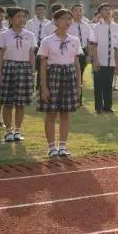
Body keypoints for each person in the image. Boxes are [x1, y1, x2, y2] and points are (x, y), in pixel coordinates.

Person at [36, 8, 83, 158]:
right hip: (53, 75)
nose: (67, 21)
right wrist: (43, 87)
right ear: (56, 21)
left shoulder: (74, 40)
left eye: (69, 19)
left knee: (65, 113)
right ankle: (51, 147)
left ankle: (62, 146)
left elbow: (77, 64)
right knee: (51, 113)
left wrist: (79, 84)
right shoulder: (47, 41)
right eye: (64, 18)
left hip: (69, 76)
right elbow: (43, 65)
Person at [0, 7, 36, 142]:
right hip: (8, 67)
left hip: (25, 68)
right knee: (8, 102)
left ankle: (18, 130)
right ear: (11, 19)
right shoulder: (4, 35)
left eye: (24, 16)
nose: (22, 19)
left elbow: (32, 56)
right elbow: (0, 56)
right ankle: (8, 131)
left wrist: (32, 73)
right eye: (19, 16)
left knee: (21, 103)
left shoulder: (30, 35)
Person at [89, 4, 118, 115]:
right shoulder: (95, 27)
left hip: (111, 61)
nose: (107, 11)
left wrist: (117, 63)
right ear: (100, 13)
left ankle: (108, 106)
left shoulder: (117, 27)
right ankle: (98, 107)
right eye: (104, 10)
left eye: (109, 9)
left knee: (109, 84)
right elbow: (93, 45)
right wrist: (95, 60)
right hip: (100, 60)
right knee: (98, 84)